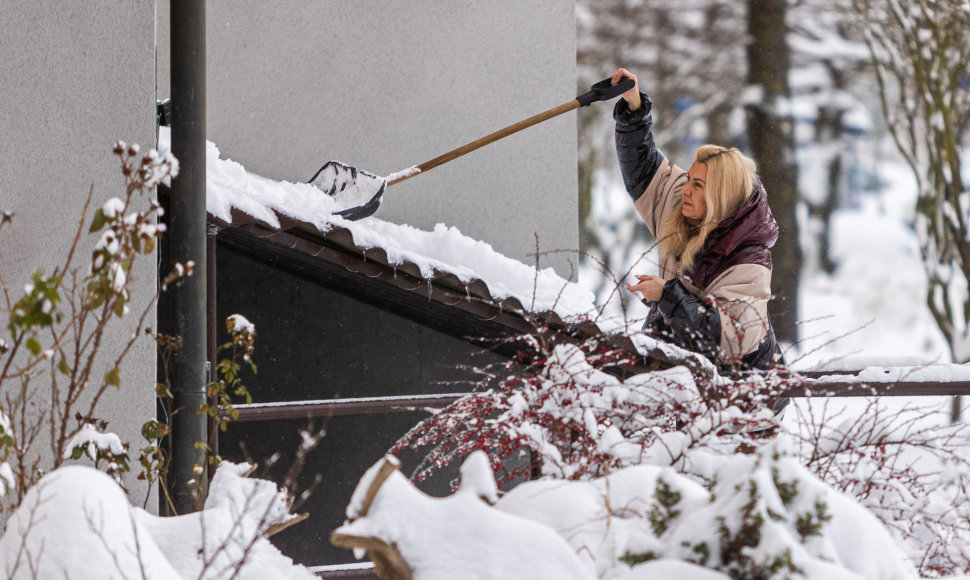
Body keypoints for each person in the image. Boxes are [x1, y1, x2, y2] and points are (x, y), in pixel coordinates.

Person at [610, 68, 784, 374]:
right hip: (690, 384)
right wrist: (633, 107)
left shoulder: (749, 262)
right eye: (689, 179)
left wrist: (668, 296)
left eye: (698, 185)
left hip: (745, 402)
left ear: (720, 197)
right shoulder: (685, 208)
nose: (686, 190)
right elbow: (643, 168)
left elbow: (731, 341)